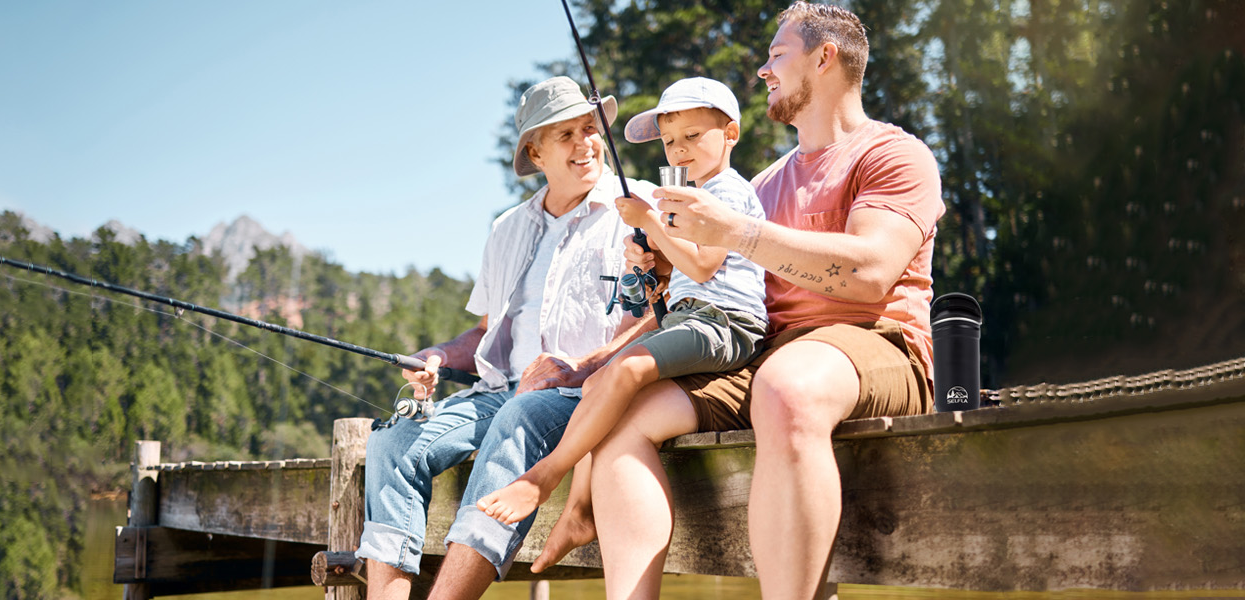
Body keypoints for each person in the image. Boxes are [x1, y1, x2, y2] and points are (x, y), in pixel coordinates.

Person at [535, 3, 947, 599]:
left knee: (786, 387)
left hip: (876, 342)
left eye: (777, 55)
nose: (763, 71)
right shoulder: (761, 185)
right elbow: (709, 296)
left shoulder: (891, 155)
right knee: (621, 419)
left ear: (824, 57)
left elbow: (870, 273)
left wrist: (737, 233)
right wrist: (650, 280)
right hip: (762, 352)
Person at [355, 75, 658, 600]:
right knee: (392, 439)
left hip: (582, 394)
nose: (586, 143)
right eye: (566, 135)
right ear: (534, 152)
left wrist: (579, 368)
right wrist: (434, 356)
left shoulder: (641, 208)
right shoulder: (507, 228)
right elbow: (480, 334)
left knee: (520, 416)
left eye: (590, 128)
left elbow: (658, 319)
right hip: (498, 392)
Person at [475, 76, 768, 527]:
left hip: (724, 324)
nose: (680, 150)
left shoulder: (726, 192)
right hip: (691, 319)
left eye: (692, 136)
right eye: (670, 141)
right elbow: (682, 270)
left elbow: (706, 267)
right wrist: (652, 263)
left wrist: (650, 219)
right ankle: (578, 512)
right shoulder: (690, 196)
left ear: (730, 134)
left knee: (626, 369)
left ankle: (543, 478)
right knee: (596, 385)